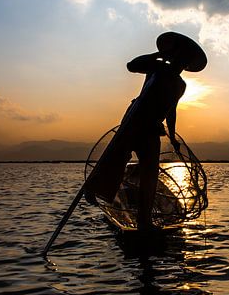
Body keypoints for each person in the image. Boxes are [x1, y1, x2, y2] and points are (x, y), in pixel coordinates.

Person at [84, 32, 207, 231]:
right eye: (179, 55)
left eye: (185, 59)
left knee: (150, 172)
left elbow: (171, 110)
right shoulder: (156, 67)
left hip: (153, 127)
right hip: (135, 119)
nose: (181, 61)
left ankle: (144, 221)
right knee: (116, 156)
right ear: (173, 55)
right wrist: (157, 55)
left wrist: (173, 136)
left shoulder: (180, 85)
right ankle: (92, 189)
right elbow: (131, 65)